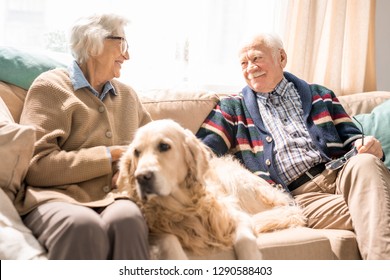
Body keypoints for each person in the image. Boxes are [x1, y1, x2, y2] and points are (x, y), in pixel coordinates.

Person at [196, 32, 390, 260]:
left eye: (257, 58)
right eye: (244, 63)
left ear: (281, 58)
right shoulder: (232, 108)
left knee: (365, 162)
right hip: (300, 197)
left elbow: (353, 138)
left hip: (343, 175)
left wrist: (366, 145)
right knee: (376, 207)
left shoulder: (320, 95)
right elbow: (199, 152)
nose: (250, 67)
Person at [16, 13, 152, 259]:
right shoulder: (51, 87)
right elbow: (36, 166)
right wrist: (112, 154)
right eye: (122, 45)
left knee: (128, 220)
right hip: (56, 198)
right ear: (93, 43)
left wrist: (129, 167)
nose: (127, 55)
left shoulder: (128, 96)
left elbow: (153, 150)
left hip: (114, 197)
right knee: (82, 227)